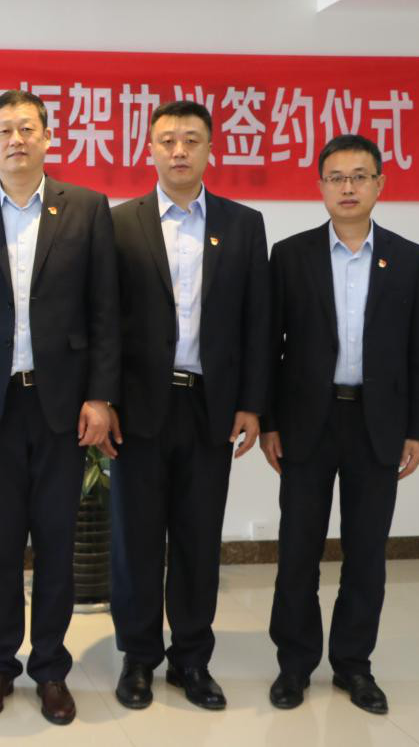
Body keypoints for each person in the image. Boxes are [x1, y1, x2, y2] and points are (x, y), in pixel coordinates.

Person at [0, 90, 119, 726]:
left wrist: (99, 396)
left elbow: (104, 311)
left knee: (58, 542)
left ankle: (51, 670)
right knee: (1, 545)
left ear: (47, 138)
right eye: (4, 130)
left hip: (63, 403)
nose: (16, 139)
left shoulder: (86, 209)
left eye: (27, 128)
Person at [262, 134, 419, 714]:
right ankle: (294, 664)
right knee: (298, 551)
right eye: (336, 177)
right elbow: (270, 348)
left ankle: (353, 665)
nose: (348, 187)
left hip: (377, 425)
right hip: (306, 424)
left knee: (366, 554)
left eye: (360, 176)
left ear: (380, 184)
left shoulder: (408, 257)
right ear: (320, 186)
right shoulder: (291, 256)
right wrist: (269, 422)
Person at [107, 100, 269, 711]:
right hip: (138, 408)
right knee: (137, 540)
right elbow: (104, 322)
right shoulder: (119, 223)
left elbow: (258, 322)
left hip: (210, 405)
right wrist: (104, 400)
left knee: (199, 539)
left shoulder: (243, 224)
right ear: (149, 148)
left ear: (210, 149)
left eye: (192, 140)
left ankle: (192, 660)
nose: (179, 150)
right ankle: (138, 658)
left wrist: (252, 403)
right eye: (168, 140)